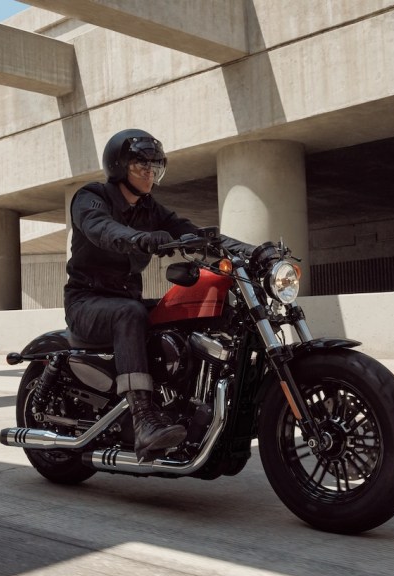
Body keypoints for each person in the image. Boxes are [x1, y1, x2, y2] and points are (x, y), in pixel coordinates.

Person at [64, 128, 254, 461]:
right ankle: (143, 422)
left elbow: (194, 235)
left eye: (155, 166)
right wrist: (138, 238)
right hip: (86, 302)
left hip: (126, 300)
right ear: (121, 167)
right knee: (130, 314)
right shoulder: (91, 197)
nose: (150, 173)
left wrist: (253, 252)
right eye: (142, 166)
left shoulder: (151, 209)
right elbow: (99, 228)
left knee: (186, 317)